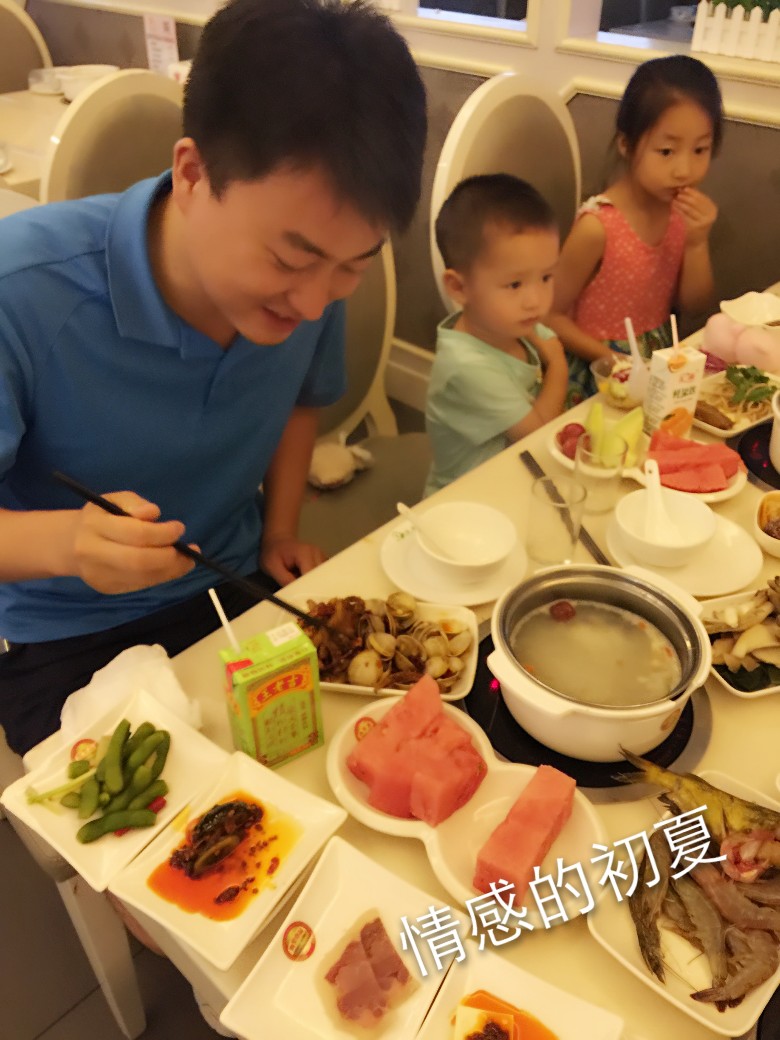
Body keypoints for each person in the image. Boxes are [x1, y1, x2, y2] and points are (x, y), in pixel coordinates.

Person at [0, 0, 427, 757]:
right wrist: (70, 541)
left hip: (232, 579)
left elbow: (301, 401)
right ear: (193, 174)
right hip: (69, 630)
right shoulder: (23, 288)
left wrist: (281, 528)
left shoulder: (312, 285)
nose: (313, 303)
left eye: (351, 267)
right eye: (290, 260)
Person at [548, 55, 723, 403]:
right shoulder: (598, 226)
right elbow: (549, 313)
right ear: (626, 144)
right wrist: (612, 359)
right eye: (666, 151)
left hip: (660, 365)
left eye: (700, 149)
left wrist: (697, 243)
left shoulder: (682, 214)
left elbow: (695, 305)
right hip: (597, 374)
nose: (684, 169)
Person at [424, 174, 568, 496]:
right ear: (459, 287)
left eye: (546, 277)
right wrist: (558, 365)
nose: (536, 300)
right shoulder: (467, 367)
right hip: (467, 497)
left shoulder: (510, 322)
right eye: (515, 284)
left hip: (516, 474)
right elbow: (537, 431)